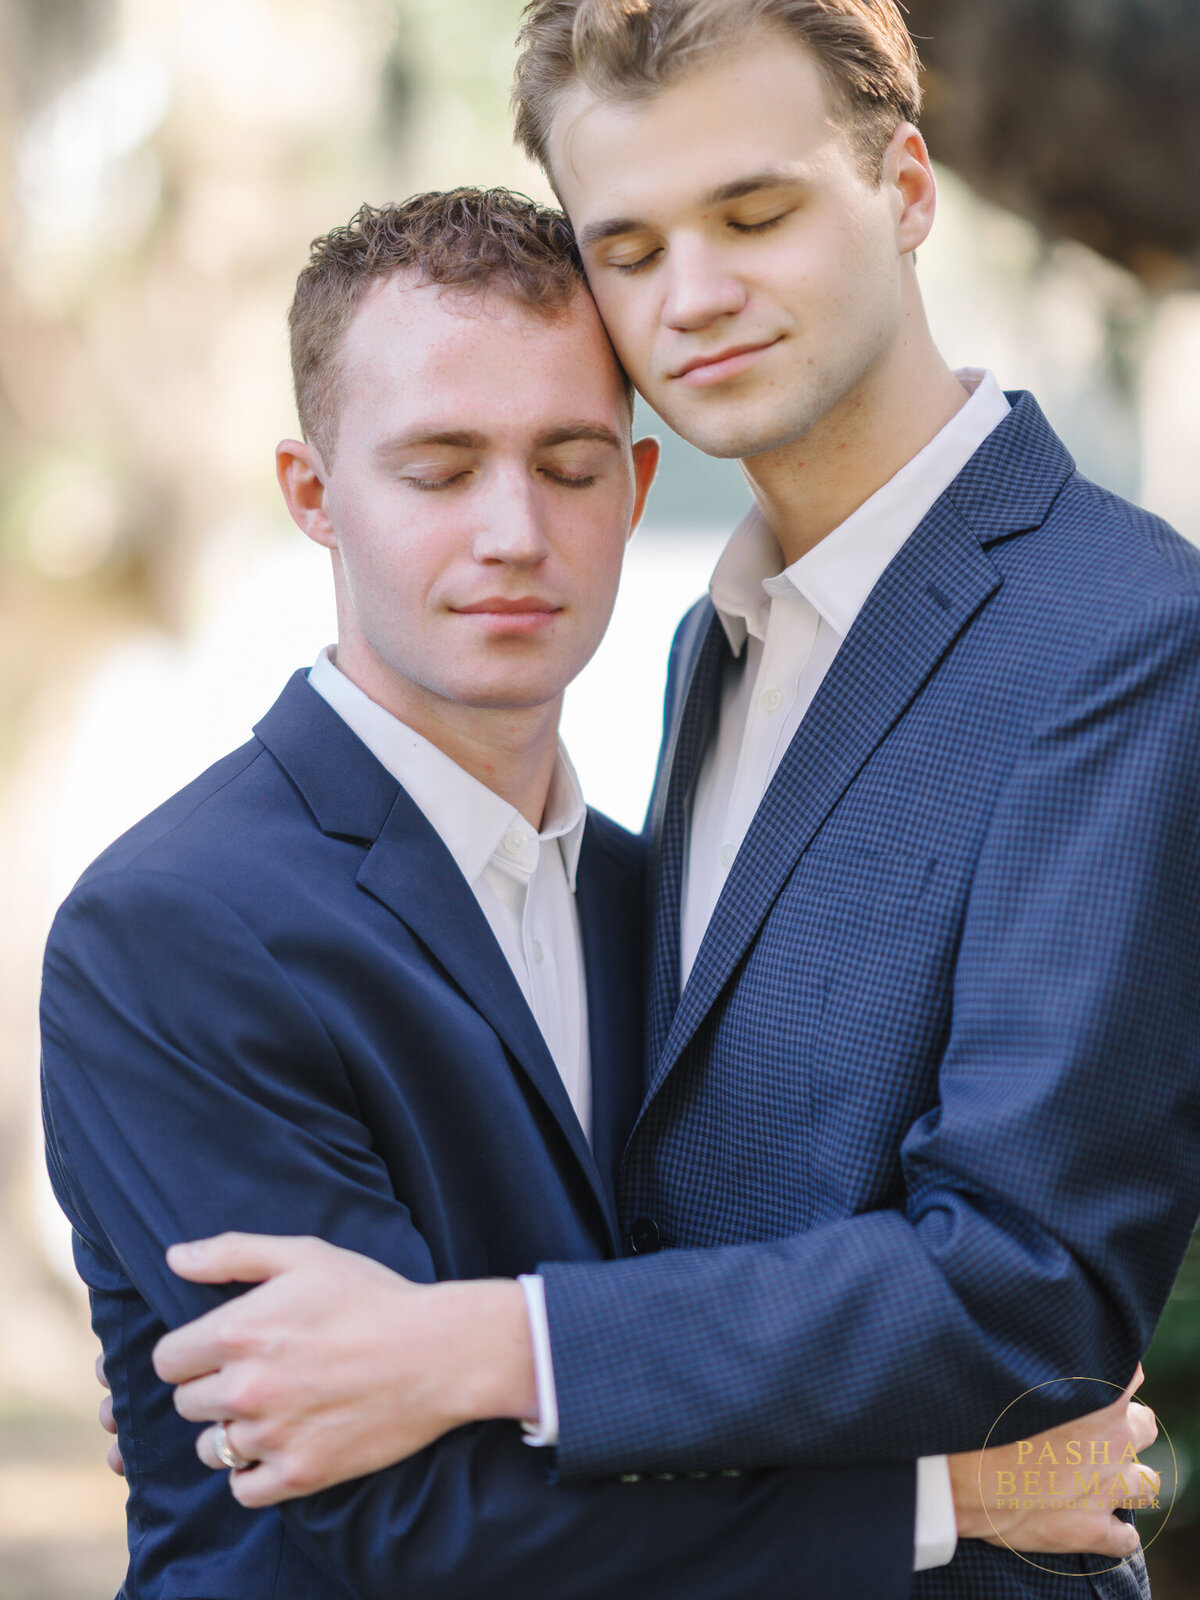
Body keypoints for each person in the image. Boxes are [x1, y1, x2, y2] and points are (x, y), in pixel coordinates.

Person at [147, 3, 1200, 1597]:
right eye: (625, 247)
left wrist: (482, 1345)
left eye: (756, 214)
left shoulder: (1117, 631)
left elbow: (1032, 1282)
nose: (692, 297)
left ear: (908, 187)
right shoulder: (716, 638)